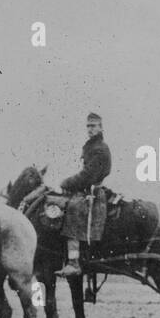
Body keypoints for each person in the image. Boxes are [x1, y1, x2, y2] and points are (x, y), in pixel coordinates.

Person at [57, 111, 112, 276]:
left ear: (101, 128)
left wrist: (67, 182)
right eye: (88, 126)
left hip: (93, 193)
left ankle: (74, 262)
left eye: (93, 126)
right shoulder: (92, 146)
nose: (90, 129)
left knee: (73, 209)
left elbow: (88, 175)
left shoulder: (100, 149)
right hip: (89, 191)